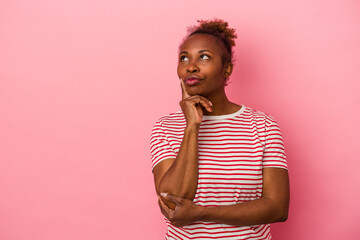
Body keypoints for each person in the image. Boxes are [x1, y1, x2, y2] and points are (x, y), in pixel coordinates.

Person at [150, 18, 289, 240]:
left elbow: (277, 208)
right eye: (184, 58)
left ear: (227, 69)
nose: (191, 66)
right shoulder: (165, 128)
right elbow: (171, 203)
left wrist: (202, 213)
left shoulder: (263, 126)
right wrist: (192, 128)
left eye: (204, 57)